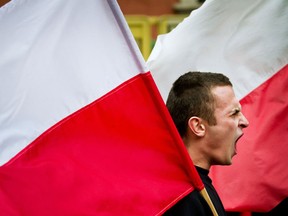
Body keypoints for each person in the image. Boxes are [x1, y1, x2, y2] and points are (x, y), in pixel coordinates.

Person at [163, 71, 249, 216]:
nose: (245, 122)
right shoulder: (184, 197)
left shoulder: (195, 188)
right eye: (234, 113)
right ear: (198, 126)